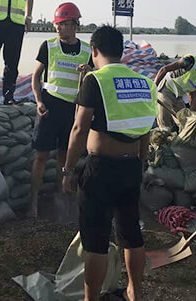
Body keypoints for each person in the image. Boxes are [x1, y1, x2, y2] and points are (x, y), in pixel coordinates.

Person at [62, 26, 157, 301]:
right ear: (121, 50)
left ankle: (90, 298)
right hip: (131, 167)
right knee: (131, 234)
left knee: (96, 241)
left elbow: (79, 129)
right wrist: (142, 161)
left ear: (94, 50)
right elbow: (145, 130)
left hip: (101, 169)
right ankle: (135, 292)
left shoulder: (96, 80)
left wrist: (68, 170)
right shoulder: (144, 82)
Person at [28, 2, 92, 217]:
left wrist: (89, 71)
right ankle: (33, 201)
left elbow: (93, 80)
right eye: (57, 24)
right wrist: (38, 101)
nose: (58, 27)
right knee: (41, 155)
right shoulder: (48, 47)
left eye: (63, 24)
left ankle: (61, 195)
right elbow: (36, 77)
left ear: (75, 25)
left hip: (72, 110)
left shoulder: (87, 51)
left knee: (65, 157)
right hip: (49, 107)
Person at [154, 49, 196, 130]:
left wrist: (192, 114)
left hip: (179, 96)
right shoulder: (190, 61)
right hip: (166, 90)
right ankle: (163, 135)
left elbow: (195, 97)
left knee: (185, 122)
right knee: (165, 122)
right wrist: (153, 88)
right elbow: (164, 69)